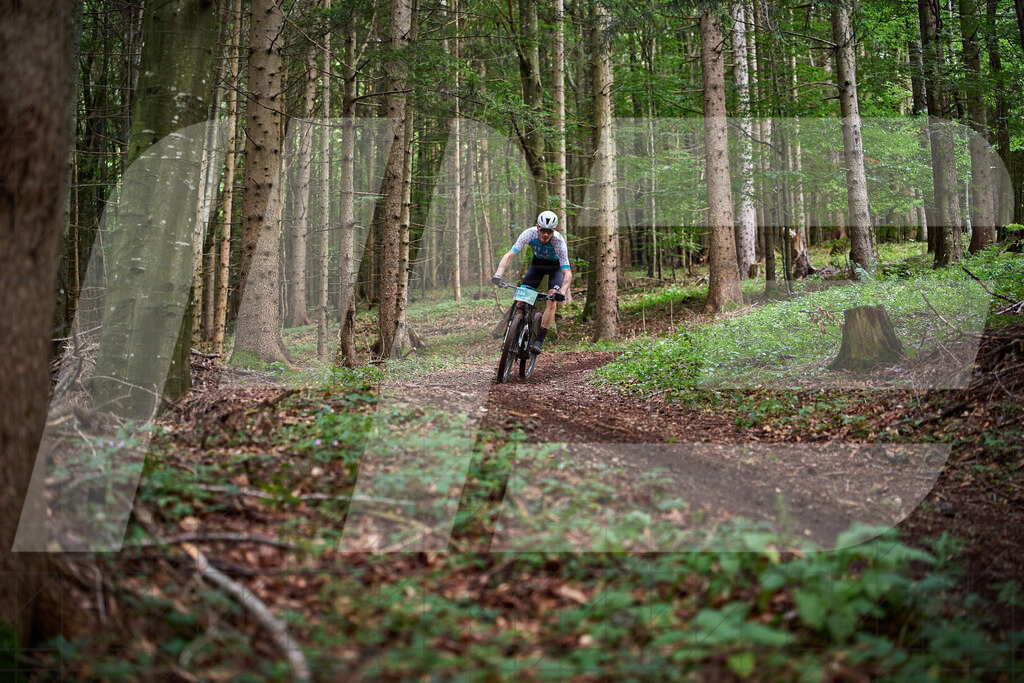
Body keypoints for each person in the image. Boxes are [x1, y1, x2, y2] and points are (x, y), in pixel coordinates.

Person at [492, 210, 572, 354]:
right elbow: (509, 255)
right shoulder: (528, 234)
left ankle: (539, 341)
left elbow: (567, 272)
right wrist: (498, 274)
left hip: (555, 269)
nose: (545, 234)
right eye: (543, 230)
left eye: (549, 231)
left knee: (551, 300)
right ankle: (515, 330)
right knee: (521, 299)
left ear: (553, 231)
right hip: (537, 266)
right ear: (537, 228)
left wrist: (562, 292)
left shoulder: (559, 242)